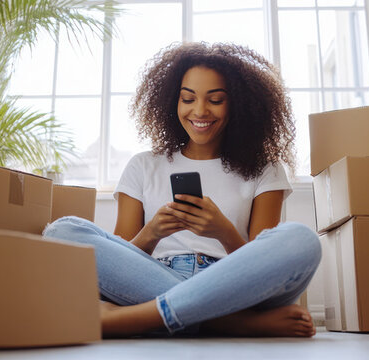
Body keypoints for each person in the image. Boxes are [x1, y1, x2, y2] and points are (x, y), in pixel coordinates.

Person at [43, 42, 321, 338]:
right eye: (188, 98)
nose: (200, 110)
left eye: (215, 100)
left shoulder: (265, 169)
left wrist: (222, 231)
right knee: (62, 231)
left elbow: (263, 262)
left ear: (238, 104)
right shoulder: (142, 166)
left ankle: (141, 318)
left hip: (234, 287)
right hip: (152, 278)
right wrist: (152, 233)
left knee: (302, 240)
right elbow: (121, 260)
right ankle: (230, 324)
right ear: (171, 102)